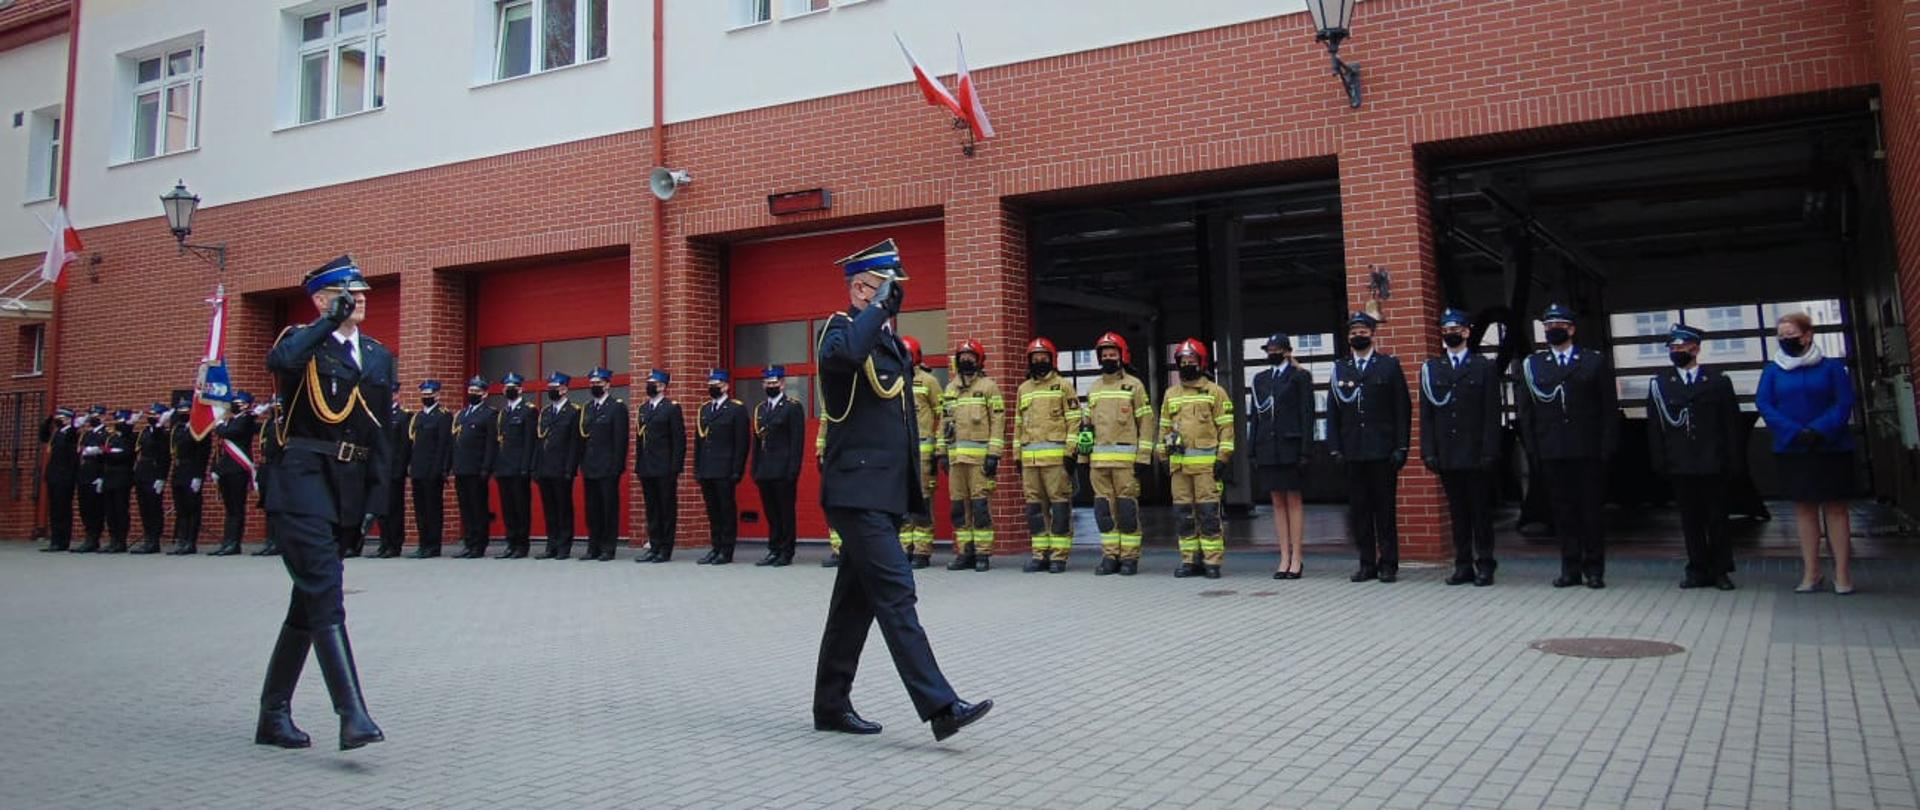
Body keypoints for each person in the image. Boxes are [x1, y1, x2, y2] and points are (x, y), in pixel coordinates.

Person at [813, 237, 992, 741]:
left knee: (854, 605)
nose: (895, 298)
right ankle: (940, 707)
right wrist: (875, 310)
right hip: (855, 491)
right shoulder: (839, 329)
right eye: (886, 288)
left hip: (884, 493)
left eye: (895, 290)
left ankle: (830, 705)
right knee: (897, 592)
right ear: (859, 288)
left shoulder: (887, 342)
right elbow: (844, 358)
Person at [255, 253, 388, 751]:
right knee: (325, 590)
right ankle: (352, 713)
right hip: (300, 479)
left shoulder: (376, 355)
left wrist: (379, 495)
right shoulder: (300, 343)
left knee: (308, 602)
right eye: (347, 296)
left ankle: (272, 715)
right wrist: (326, 323)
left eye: (362, 295)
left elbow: (382, 433)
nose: (359, 302)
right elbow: (280, 365)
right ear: (322, 300)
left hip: (346, 486)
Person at [1517, 303, 1619, 589]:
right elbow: (1527, 412)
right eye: (1548, 327)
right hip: (1552, 450)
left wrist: (1607, 447)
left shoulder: (1592, 362)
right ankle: (1569, 568)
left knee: (1591, 512)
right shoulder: (1535, 365)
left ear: (1571, 329)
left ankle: (1594, 569)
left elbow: (1608, 409)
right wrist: (1533, 449)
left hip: (1587, 450)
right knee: (1562, 513)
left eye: (1558, 326)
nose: (1552, 331)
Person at [1755, 311, 1857, 594]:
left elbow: (1844, 401)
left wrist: (1819, 429)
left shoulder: (1831, 367)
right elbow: (1765, 403)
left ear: (1808, 335)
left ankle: (1842, 573)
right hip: (1793, 448)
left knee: (1836, 508)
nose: (1787, 340)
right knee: (1804, 509)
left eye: (1792, 335)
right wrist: (1793, 431)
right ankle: (1811, 572)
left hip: (1831, 446)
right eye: (1782, 336)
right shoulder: (1772, 370)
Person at [1648, 323, 1743, 591]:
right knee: (1690, 520)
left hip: (1713, 460)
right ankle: (1697, 569)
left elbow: (1730, 423)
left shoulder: (1717, 381)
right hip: (1681, 462)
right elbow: (1656, 426)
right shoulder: (1661, 384)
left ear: (1696, 349)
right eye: (1673, 347)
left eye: (1682, 347)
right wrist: (1659, 459)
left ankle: (1721, 569)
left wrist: (1734, 459)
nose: (1677, 351)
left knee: (1717, 518)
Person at [1419, 310, 1503, 586]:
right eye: (1445, 330)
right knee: (1457, 513)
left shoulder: (1483, 367)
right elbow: (1427, 415)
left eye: (1455, 329)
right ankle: (1463, 564)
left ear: (1467, 332)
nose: (1449, 334)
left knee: (1480, 512)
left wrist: (1490, 450)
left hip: (1476, 451)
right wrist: (1429, 451)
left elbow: (1492, 413)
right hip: (1448, 452)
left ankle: (1485, 563)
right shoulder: (1433, 369)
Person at [1329, 312, 1411, 583]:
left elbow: (1402, 408)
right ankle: (1366, 563)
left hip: (1382, 450)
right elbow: (1333, 412)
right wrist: (1335, 448)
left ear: (1372, 333)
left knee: (1384, 511)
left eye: (1362, 331)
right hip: (1353, 450)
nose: (1357, 336)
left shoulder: (1388, 366)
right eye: (1353, 332)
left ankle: (1388, 563)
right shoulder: (1341, 368)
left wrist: (1401, 446)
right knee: (1360, 511)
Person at [1158, 338, 1235, 579]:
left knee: (1209, 514)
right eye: (1183, 361)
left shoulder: (1215, 392)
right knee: (1184, 516)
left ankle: (1212, 561)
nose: (1187, 365)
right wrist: (1162, 457)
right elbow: (1164, 429)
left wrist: (1223, 458)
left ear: (1200, 363)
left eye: (1191, 361)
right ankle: (1189, 560)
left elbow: (1226, 428)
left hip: (1206, 468)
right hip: (1179, 468)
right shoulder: (1171, 394)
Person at [1082, 332, 1154, 577]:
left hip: (1126, 464)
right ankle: (1110, 556)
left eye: (1113, 354)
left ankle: (1129, 558)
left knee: (1127, 511)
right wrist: (1083, 458)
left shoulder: (1134, 385)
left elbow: (1146, 422)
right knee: (1104, 511)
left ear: (1122, 356)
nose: (1108, 358)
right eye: (1104, 355)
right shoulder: (1094, 388)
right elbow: (1086, 426)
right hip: (1099, 464)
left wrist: (1144, 457)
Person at [1248, 332, 1314, 580]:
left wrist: (1306, 450)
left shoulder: (1299, 377)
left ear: (1287, 351)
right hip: (1268, 447)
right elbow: (1255, 416)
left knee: (1294, 500)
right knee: (1276, 501)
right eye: (1269, 349)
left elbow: (1307, 415)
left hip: (1291, 446)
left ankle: (1297, 557)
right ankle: (1283, 556)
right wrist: (1252, 448)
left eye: (1276, 349)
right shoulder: (1260, 379)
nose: (1272, 353)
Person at [1014, 337, 1081, 573]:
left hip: (1056, 462)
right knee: (1034, 509)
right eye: (1035, 358)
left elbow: (1074, 421)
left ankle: (1059, 556)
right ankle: (1039, 554)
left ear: (1052, 360)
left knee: (1060, 507)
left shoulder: (1063, 386)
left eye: (1043, 358)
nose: (1039, 361)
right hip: (1030, 462)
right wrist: (1017, 456)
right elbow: (1018, 425)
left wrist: (1070, 454)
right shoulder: (1024, 389)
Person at [939, 338, 1004, 571]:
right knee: (958, 509)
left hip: (979, 461)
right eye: (962, 357)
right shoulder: (950, 389)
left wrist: (994, 454)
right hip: (956, 461)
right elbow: (943, 422)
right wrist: (942, 453)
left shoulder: (988, 387)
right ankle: (965, 552)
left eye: (970, 357)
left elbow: (998, 422)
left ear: (978, 360)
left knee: (980, 508)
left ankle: (983, 554)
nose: (966, 360)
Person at [751, 366, 805, 567]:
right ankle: (773, 549)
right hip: (764, 470)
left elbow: (797, 441)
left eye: (774, 383)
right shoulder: (761, 409)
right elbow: (756, 442)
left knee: (785, 513)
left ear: (782, 384)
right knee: (771, 513)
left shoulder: (792, 407)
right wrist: (754, 468)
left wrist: (793, 470)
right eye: (768, 383)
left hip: (783, 470)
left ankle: (786, 551)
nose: (771, 386)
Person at [694, 369, 749, 565]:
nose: (712, 388)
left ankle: (726, 550)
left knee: (726, 510)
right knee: (712, 511)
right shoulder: (705, 409)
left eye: (716, 385)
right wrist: (697, 468)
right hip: (707, 469)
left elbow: (741, 443)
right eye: (710, 385)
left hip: (725, 469)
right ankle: (715, 546)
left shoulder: (736, 409)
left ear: (725, 386)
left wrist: (737, 469)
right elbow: (699, 443)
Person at [633, 369, 686, 563]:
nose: (649, 385)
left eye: (653, 382)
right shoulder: (644, 408)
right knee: (652, 509)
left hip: (665, 468)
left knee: (666, 508)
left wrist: (675, 467)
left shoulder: (671, 408)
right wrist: (639, 465)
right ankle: (654, 545)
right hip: (647, 467)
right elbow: (640, 440)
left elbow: (679, 440)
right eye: (649, 382)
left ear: (662, 386)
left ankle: (665, 548)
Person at [578, 367, 629, 562]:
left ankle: (608, 548)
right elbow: (583, 438)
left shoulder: (616, 407)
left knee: (608, 509)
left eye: (598, 383)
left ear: (608, 384)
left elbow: (620, 440)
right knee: (592, 509)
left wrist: (617, 465)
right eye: (592, 384)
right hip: (590, 466)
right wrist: (582, 462)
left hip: (608, 467)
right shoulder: (588, 408)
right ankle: (593, 547)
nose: (595, 387)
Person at [900, 336, 943, 569]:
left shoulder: (928, 381)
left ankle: (922, 551)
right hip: (901, 453)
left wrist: (938, 446)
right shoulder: (895, 381)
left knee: (923, 502)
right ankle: (904, 548)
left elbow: (942, 414)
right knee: (903, 502)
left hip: (923, 452)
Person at [533, 372, 584, 560]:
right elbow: (539, 441)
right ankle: (551, 545)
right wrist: (536, 467)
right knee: (550, 509)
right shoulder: (545, 412)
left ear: (564, 389)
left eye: (555, 388)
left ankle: (564, 546)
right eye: (550, 388)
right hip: (545, 467)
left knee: (563, 508)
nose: (552, 391)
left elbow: (574, 443)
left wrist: (570, 468)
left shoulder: (573, 411)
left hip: (562, 468)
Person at [450, 377, 497, 558]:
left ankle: (479, 545)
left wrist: (486, 467)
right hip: (461, 468)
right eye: (471, 391)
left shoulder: (489, 414)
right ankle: (469, 543)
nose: (473, 395)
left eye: (476, 392)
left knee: (478, 508)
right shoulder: (461, 415)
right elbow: (455, 442)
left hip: (477, 469)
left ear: (484, 394)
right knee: (466, 507)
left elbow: (490, 444)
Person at [210, 391, 260, 557]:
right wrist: (215, 469)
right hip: (226, 469)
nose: (235, 405)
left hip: (238, 468)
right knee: (229, 508)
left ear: (246, 405)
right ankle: (227, 541)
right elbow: (220, 447)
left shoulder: (246, 420)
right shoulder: (231, 420)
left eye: (238, 402)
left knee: (237, 508)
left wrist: (218, 425)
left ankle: (234, 543)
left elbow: (229, 433)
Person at [493, 373, 537, 559]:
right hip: (504, 467)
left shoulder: (528, 410)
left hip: (519, 468)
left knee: (521, 507)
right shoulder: (503, 413)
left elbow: (529, 441)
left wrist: (526, 466)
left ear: (520, 389)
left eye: (512, 387)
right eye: (506, 387)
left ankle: (521, 544)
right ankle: (510, 542)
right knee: (508, 507)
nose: (508, 390)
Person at [167, 398, 211, 556]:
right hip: (179, 470)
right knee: (181, 509)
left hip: (192, 470)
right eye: (180, 412)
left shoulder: (199, 429)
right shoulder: (177, 429)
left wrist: (198, 475)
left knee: (192, 508)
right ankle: (182, 540)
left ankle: (191, 542)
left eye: (185, 412)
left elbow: (203, 453)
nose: (182, 414)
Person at [130, 404, 171, 555]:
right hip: (142, 472)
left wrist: (161, 477)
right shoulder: (145, 432)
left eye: (155, 415)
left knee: (154, 508)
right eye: (151, 414)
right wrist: (129, 424)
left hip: (154, 473)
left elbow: (165, 457)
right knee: (144, 508)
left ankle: (154, 540)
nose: (152, 417)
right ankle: (147, 537)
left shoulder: (164, 433)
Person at [372, 401, 411, 558]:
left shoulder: (402, 416)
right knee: (381, 508)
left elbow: (404, 446)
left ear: (396, 394)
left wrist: (400, 469)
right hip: (380, 469)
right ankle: (384, 543)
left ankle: (395, 545)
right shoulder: (378, 415)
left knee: (394, 509)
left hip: (394, 470)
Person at [39, 406, 80, 552]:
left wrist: (74, 424)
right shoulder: (57, 433)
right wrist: (47, 421)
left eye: (61, 418)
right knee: (54, 509)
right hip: (54, 475)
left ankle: (63, 541)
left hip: (65, 476)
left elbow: (73, 434)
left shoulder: (71, 433)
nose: (59, 421)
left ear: (68, 419)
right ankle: (55, 539)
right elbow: (43, 437)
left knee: (63, 509)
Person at [73, 405, 111, 554]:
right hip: (84, 474)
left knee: (96, 509)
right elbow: (80, 450)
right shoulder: (86, 434)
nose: (92, 419)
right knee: (85, 508)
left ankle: (94, 538)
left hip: (97, 473)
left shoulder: (106, 434)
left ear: (102, 417)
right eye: (90, 415)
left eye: (95, 416)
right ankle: (88, 536)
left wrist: (102, 477)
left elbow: (107, 455)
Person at [252, 396, 286, 557]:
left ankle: (278, 542)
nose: (275, 407)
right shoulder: (268, 423)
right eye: (273, 405)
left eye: (278, 405)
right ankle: (270, 541)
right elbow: (248, 427)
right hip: (266, 467)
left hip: (279, 467)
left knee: (276, 506)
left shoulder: (285, 423)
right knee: (268, 506)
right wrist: (255, 413)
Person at [101, 409, 138, 554]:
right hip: (109, 476)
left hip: (122, 477)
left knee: (120, 509)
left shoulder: (130, 437)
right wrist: (111, 454)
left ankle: (121, 541)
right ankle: (113, 539)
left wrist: (112, 454)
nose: (117, 423)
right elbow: (105, 454)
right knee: (110, 511)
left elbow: (126, 454)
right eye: (116, 420)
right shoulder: (112, 437)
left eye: (121, 420)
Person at [817, 422, 844, 568]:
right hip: (832, 458)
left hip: (849, 458)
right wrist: (820, 453)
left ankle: (848, 550)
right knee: (833, 505)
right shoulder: (828, 403)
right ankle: (837, 550)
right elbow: (824, 427)